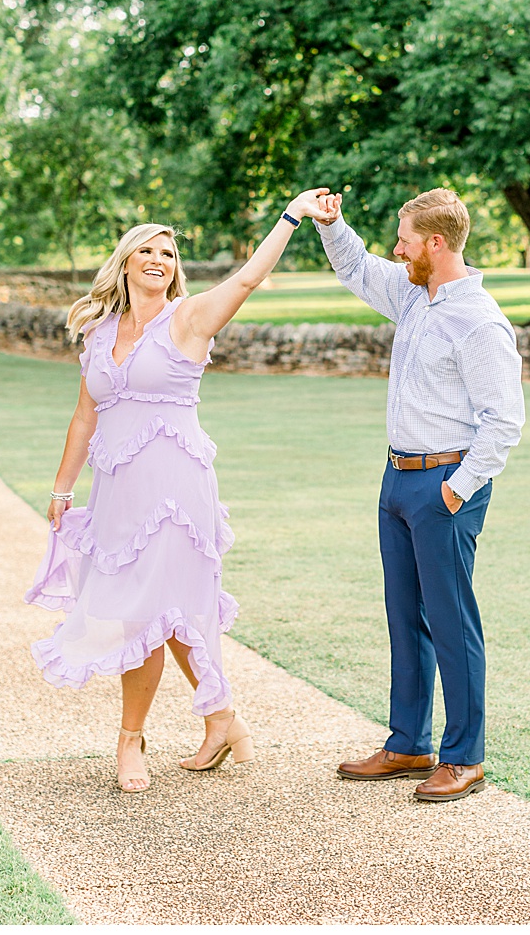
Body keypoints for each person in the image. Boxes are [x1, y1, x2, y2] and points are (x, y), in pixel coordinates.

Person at [26, 189, 335, 793]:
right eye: (145, 248)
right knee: (163, 613)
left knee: (144, 609)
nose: (158, 258)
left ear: (174, 267)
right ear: (124, 262)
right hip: (117, 491)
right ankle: (224, 722)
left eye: (167, 252)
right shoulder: (98, 330)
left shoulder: (189, 317)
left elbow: (246, 280)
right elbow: (85, 416)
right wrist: (63, 491)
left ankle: (130, 742)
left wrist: (292, 215)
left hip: (174, 492)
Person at [311, 186, 526, 804]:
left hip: (444, 485)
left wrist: (454, 492)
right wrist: (332, 223)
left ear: (435, 244)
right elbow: (354, 266)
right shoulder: (413, 295)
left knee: (451, 620)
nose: (395, 248)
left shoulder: (479, 321)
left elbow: (504, 422)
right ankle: (408, 742)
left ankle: (464, 757)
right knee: (404, 618)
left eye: (404, 238)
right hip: (396, 480)